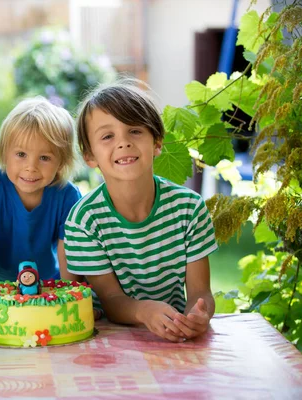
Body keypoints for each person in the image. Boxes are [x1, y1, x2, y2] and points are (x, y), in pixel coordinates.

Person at [64, 80, 217, 342]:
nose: (123, 143)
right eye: (107, 136)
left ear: (157, 142)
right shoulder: (83, 222)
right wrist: (144, 310)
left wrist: (197, 316)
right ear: (89, 156)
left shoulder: (190, 209)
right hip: (108, 341)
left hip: (174, 335)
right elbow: (111, 300)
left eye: (135, 131)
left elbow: (200, 291)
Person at [0, 97, 82, 300]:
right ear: (5, 153)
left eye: (44, 158)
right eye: (21, 154)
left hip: (50, 287)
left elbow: (68, 256)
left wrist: (70, 298)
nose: (31, 167)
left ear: (61, 162)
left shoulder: (67, 196)